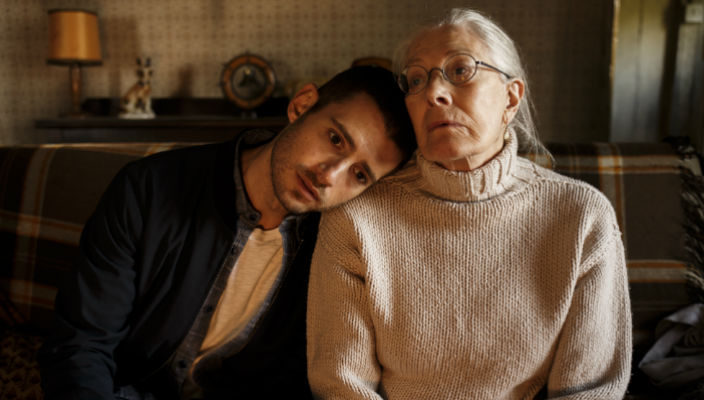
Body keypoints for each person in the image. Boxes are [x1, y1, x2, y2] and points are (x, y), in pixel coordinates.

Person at [307, 9, 632, 399]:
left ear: (511, 98)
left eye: (460, 70)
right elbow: (341, 384)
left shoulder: (581, 215)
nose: (433, 93)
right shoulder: (357, 217)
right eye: (415, 80)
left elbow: (591, 390)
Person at [38, 66, 416, 400]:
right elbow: (81, 343)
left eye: (360, 174)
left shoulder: (336, 249)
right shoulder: (149, 188)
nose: (330, 176)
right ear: (302, 105)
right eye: (335, 139)